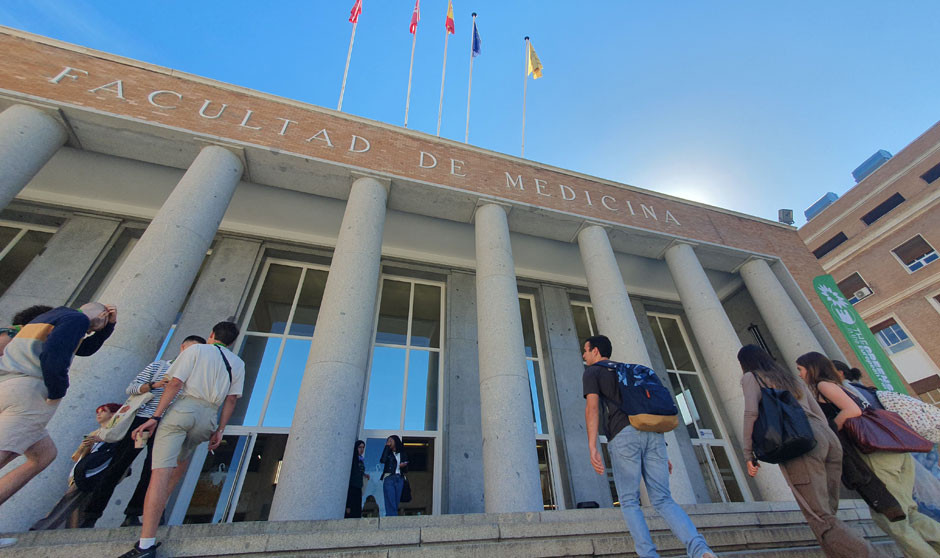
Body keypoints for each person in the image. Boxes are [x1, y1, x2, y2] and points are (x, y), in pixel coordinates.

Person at [738, 345, 881, 557]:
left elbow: (751, 413)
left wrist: (748, 453)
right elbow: (817, 413)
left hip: (799, 443)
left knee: (821, 519)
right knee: (827, 514)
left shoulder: (751, 377)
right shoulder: (789, 377)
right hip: (826, 439)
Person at [582, 335, 716, 558]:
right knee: (663, 499)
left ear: (595, 351)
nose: (584, 355)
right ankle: (701, 550)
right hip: (653, 435)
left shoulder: (593, 371)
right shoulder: (628, 369)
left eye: (585, 351)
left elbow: (592, 408)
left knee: (629, 501)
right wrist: (662, 449)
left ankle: (649, 555)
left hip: (624, 435)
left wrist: (592, 445)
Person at [118, 321, 244, 558]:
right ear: (232, 341)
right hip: (208, 417)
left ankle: (146, 544)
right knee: (180, 463)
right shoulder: (237, 363)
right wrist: (220, 430)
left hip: (184, 409)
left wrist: (155, 417)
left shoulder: (196, 350)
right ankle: (160, 514)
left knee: (159, 473)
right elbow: (232, 400)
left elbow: (175, 383)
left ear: (211, 334)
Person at [797, 351, 940, 557]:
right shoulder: (842, 385)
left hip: (877, 456)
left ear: (812, 368)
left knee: (890, 518)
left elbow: (852, 411)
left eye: (801, 369)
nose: (800, 375)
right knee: (907, 513)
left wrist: (832, 431)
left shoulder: (823, 385)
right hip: (893, 450)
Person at [81, 335, 207, 528]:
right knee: (119, 464)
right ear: (183, 347)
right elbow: (131, 389)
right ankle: (92, 514)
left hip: (165, 426)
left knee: (152, 470)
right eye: (191, 350)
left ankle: (133, 514)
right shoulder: (158, 366)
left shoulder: (193, 377)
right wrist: (153, 385)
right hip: (141, 421)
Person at [0, 303, 116, 507]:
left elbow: (83, 349)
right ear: (102, 315)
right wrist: (57, 391)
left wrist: (106, 328)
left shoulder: (50, 317)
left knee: (44, 455)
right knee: (4, 453)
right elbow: (54, 356)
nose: (89, 331)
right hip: (31, 392)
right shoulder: (76, 320)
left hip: (10, 385)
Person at [30, 403, 123, 530]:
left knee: (70, 499)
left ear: (113, 414)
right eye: (98, 411)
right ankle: (72, 529)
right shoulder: (95, 433)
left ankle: (45, 526)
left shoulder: (115, 432)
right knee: (77, 504)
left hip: (94, 472)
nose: (99, 414)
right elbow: (78, 455)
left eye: (103, 411)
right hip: (85, 472)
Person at [379, 435, 408, 517]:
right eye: (388, 441)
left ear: (396, 441)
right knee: (390, 499)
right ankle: (391, 518)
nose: (389, 442)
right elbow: (383, 460)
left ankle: (392, 518)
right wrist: (386, 448)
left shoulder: (402, 453)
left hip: (399, 478)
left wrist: (404, 465)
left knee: (396, 501)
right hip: (389, 478)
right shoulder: (388, 453)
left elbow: (406, 469)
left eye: (391, 440)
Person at [345, 440, 370, 518]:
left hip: (358, 486)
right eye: (360, 447)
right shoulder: (353, 459)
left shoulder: (360, 460)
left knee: (357, 510)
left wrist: (364, 475)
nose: (362, 449)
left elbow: (359, 471)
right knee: (351, 511)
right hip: (352, 486)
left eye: (363, 447)